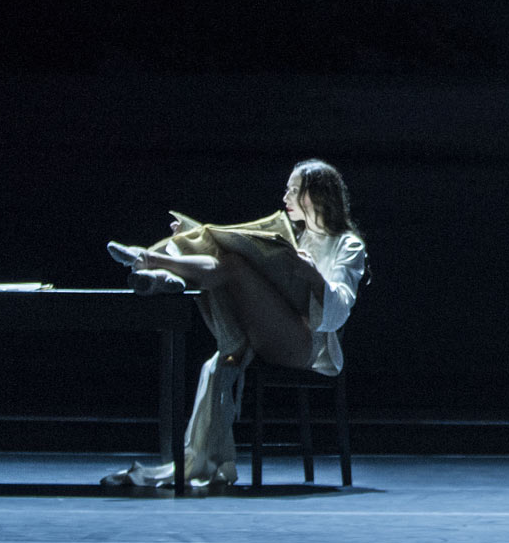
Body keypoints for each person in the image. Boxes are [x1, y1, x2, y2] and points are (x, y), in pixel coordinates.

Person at [101, 159, 368, 487]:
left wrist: (312, 275)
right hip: (269, 334)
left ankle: (154, 263)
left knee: (233, 267)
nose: (285, 196)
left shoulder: (347, 244)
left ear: (317, 196)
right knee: (223, 257)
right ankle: (163, 275)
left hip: (306, 346)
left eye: (295, 190)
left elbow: (339, 308)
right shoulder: (290, 236)